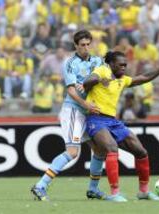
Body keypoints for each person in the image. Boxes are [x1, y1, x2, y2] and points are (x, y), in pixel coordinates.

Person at [83, 51, 159, 202]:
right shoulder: (102, 70)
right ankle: (115, 193)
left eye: (125, 65)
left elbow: (144, 77)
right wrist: (98, 79)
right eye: (120, 65)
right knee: (112, 148)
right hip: (95, 119)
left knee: (141, 151)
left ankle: (143, 192)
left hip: (113, 121)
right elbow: (87, 82)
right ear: (111, 64)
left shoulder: (122, 80)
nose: (124, 67)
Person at [31, 30, 106, 201]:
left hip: (89, 112)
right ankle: (40, 186)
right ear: (75, 46)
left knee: (99, 150)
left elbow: (104, 80)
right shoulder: (70, 63)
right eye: (82, 45)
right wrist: (86, 103)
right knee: (72, 152)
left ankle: (93, 189)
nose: (86, 48)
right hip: (73, 110)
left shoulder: (97, 61)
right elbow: (72, 91)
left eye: (88, 44)